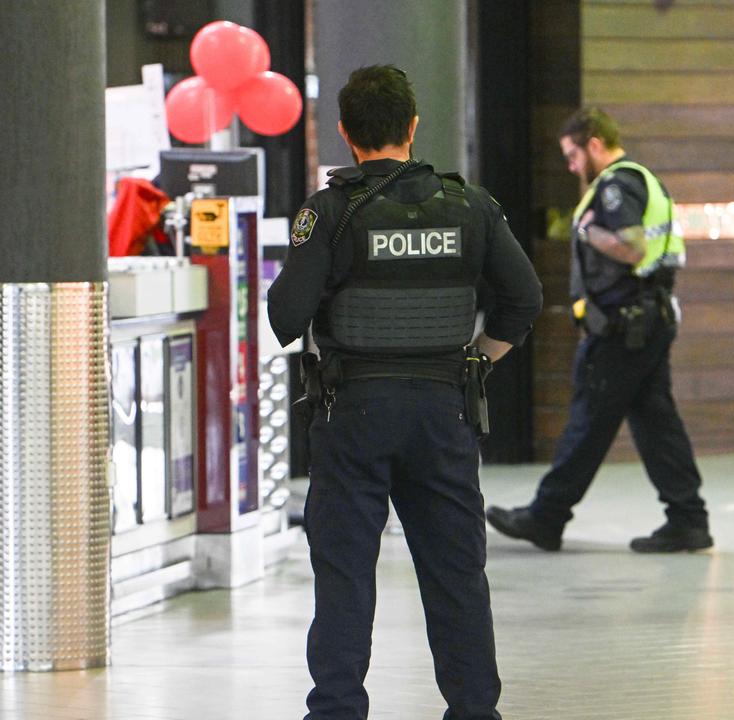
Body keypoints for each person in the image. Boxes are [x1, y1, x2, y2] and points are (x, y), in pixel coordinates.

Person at [267, 65, 542, 720]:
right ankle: (475, 710)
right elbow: (524, 300)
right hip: (443, 409)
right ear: (412, 128)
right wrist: (475, 359)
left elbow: (285, 316)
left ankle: (335, 711)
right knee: (456, 576)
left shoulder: (329, 211)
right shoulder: (470, 206)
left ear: (344, 133)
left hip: (353, 411)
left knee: (345, 578)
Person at [486, 107, 712, 554]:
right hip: (646, 322)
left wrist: (589, 233)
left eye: (572, 156)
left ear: (593, 144)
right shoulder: (641, 178)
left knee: (590, 420)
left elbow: (632, 247)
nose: (571, 167)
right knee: (656, 423)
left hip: (624, 326)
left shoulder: (615, 186)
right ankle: (688, 518)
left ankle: (546, 516)